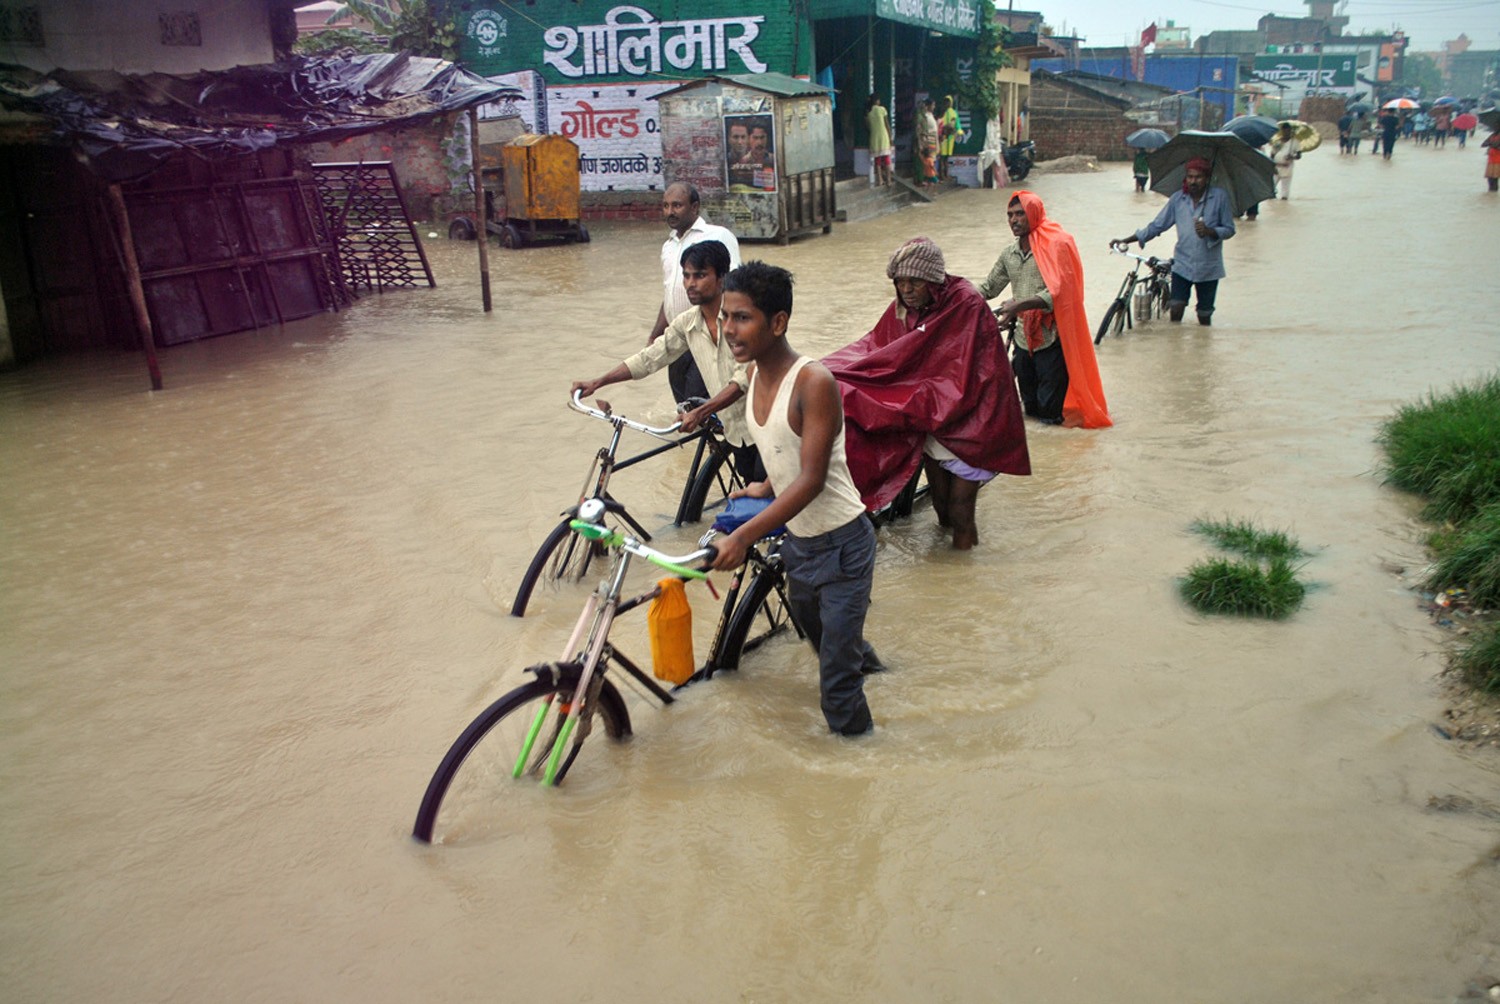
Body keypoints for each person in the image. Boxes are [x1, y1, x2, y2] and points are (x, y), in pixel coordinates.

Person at [709, 261, 881, 736]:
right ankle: (876, 669)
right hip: (799, 546)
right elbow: (782, 447)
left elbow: (810, 480)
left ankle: (860, 771)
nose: (728, 330)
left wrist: (743, 537)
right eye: (725, 317)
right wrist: (765, 485)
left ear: (778, 322)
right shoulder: (753, 379)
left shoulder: (813, 382)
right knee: (823, 639)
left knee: (837, 687)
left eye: (741, 318)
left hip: (843, 546)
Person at [823, 238, 1030, 550]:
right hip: (933, 420)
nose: (907, 290)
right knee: (942, 509)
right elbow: (879, 352)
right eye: (901, 283)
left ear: (933, 280)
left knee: (961, 514)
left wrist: (920, 400)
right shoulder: (904, 309)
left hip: (972, 420)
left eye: (914, 283)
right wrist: (828, 373)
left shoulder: (966, 304)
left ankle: (964, 579)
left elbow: (979, 373)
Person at [572, 240, 762, 482]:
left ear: (721, 277)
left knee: (773, 500)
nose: (690, 284)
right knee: (752, 495)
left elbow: (743, 377)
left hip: (766, 425)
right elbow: (650, 358)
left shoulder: (741, 319)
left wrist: (700, 412)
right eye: (686, 276)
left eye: (700, 275)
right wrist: (598, 382)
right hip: (735, 431)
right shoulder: (687, 323)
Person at [979, 192, 1111, 430]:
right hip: (1022, 337)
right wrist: (955, 296)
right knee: (1029, 406)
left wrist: (1020, 304)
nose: (1014, 220)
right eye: (1010, 215)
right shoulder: (1009, 254)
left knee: (1049, 411)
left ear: (1034, 214)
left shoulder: (1057, 245)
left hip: (1053, 338)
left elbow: (1062, 293)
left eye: (1020, 214)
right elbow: (989, 287)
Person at [1112, 156, 1235, 326]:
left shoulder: (1219, 197)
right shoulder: (1178, 199)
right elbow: (1157, 226)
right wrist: (1127, 240)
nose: (1193, 181)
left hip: (1209, 267)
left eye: (1198, 177)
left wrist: (1210, 231)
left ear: (1206, 178)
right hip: (1182, 264)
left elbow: (1229, 229)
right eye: (1190, 177)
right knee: (1176, 308)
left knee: (1204, 314)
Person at [651, 182, 740, 403]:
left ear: (695, 207)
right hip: (678, 338)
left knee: (699, 405)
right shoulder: (668, 246)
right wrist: (656, 334)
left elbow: (735, 285)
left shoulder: (717, 236)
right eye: (665, 206)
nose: (670, 212)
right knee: (684, 407)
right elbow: (670, 294)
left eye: (677, 205)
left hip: (707, 337)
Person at [865, 93, 893, 187]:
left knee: (877, 160)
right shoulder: (882, 109)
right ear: (877, 101)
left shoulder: (868, 113)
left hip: (874, 137)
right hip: (883, 136)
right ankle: (889, 180)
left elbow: (868, 127)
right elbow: (887, 124)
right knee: (887, 159)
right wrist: (890, 136)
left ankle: (879, 180)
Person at [1269, 122, 1301, 199]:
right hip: (1276, 167)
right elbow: (1272, 155)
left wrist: (1292, 157)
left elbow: (1299, 155)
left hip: (1287, 167)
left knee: (1285, 190)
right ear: (1282, 131)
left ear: (1290, 131)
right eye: (1284, 131)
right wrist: (1271, 165)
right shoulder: (1277, 142)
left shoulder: (1295, 142)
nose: (1286, 133)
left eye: (1288, 131)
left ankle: (1284, 198)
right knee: (1270, 189)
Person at [914, 98, 939, 187]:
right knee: (926, 160)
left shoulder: (929, 115)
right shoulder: (922, 116)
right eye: (932, 105)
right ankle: (923, 179)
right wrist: (921, 141)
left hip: (932, 139)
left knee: (932, 159)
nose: (934, 107)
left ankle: (930, 178)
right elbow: (919, 129)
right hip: (926, 139)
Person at [937, 95, 961, 180]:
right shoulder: (941, 111)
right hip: (942, 137)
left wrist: (958, 130)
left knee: (946, 157)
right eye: (946, 101)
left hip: (950, 137)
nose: (947, 103)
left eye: (948, 102)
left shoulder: (953, 112)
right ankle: (941, 175)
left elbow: (956, 123)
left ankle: (946, 174)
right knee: (941, 157)